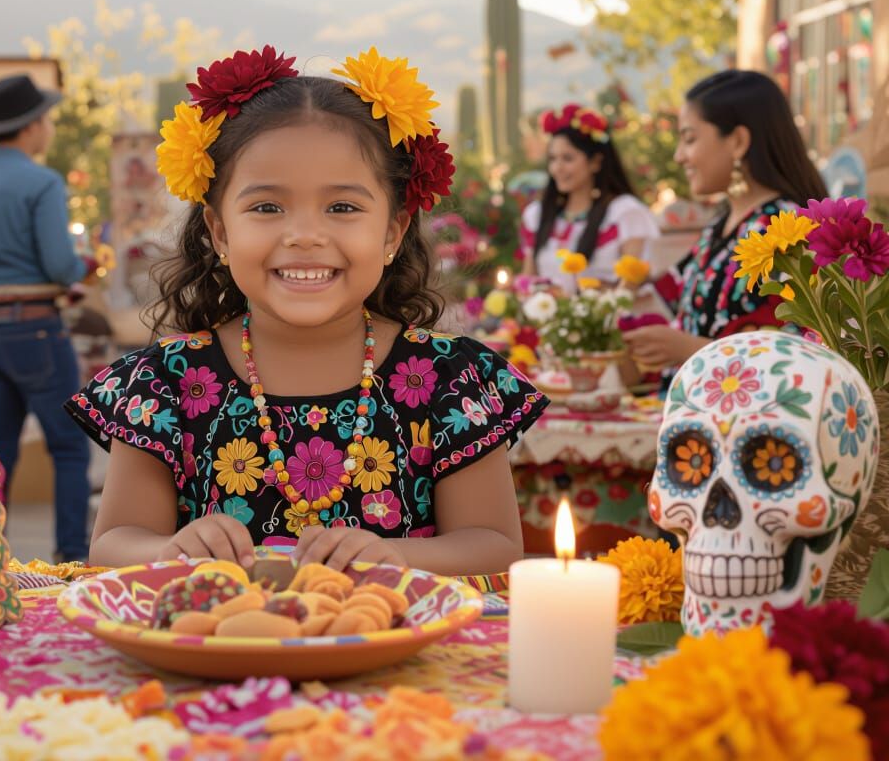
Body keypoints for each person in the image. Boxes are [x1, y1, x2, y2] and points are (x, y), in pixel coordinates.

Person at [66, 46, 548, 576]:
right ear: (220, 232)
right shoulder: (164, 385)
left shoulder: (451, 382)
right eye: (267, 207)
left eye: (342, 207)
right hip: (216, 655)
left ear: (393, 230)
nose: (304, 235)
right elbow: (113, 542)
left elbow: (496, 546)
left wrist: (395, 558)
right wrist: (168, 551)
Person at [0, 74, 92, 563]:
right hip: (37, 328)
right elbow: (58, 264)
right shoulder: (41, 181)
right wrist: (77, 270)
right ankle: (71, 557)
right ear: (30, 126)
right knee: (68, 447)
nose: (47, 129)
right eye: (45, 120)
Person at [623, 69, 829, 372]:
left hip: (744, 417)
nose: (680, 156)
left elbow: (799, 358)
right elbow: (680, 307)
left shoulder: (787, 230)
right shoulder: (720, 227)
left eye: (689, 139)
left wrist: (686, 348)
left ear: (738, 142)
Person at [520, 104, 659, 294]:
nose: (557, 168)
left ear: (595, 162)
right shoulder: (539, 214)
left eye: (567, 158)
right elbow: (527, 281)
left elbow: (630, 290)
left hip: (604, 322)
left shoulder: (624, 213)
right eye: (552, 159)